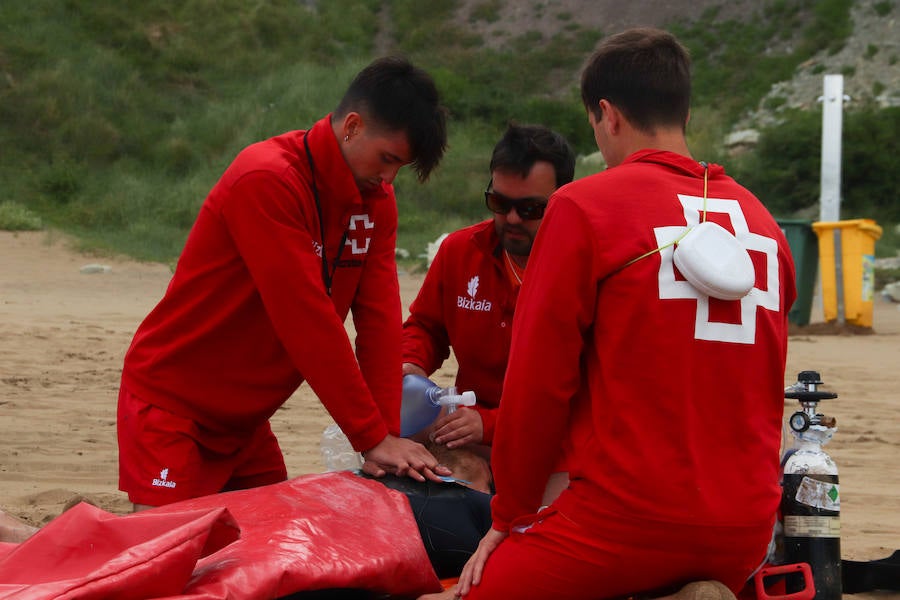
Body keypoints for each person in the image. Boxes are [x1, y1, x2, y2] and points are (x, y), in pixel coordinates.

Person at [454, 28, 798, 600]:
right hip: (744, 533)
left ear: (607, 115)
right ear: (684, 111)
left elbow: (537, 385)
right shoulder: (762, 224)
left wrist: (509, 516)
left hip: (624, 525)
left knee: (475, 590)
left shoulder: (584, 206)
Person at [117, 56, 451, 511]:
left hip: (246, 424)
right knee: (158, 561)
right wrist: (370, 437)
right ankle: (28, 541)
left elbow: (379, 321)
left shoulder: (376, 201)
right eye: (387, 159)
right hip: (175, 409)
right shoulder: (267, 179)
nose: (389, 177)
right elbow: (308, 323)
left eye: (401, 167)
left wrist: (388, 432)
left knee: (268, 550)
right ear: (351, 127)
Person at [401, 123, 575, 452]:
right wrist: (410, 366)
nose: (511, 219)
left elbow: (589, 393)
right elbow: (426, 327)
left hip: (554, 443)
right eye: (498, 202)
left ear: (564, 198)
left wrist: (491, 424)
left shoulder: (584, 267)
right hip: (470, 430)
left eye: (530, 209)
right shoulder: (459, 252)